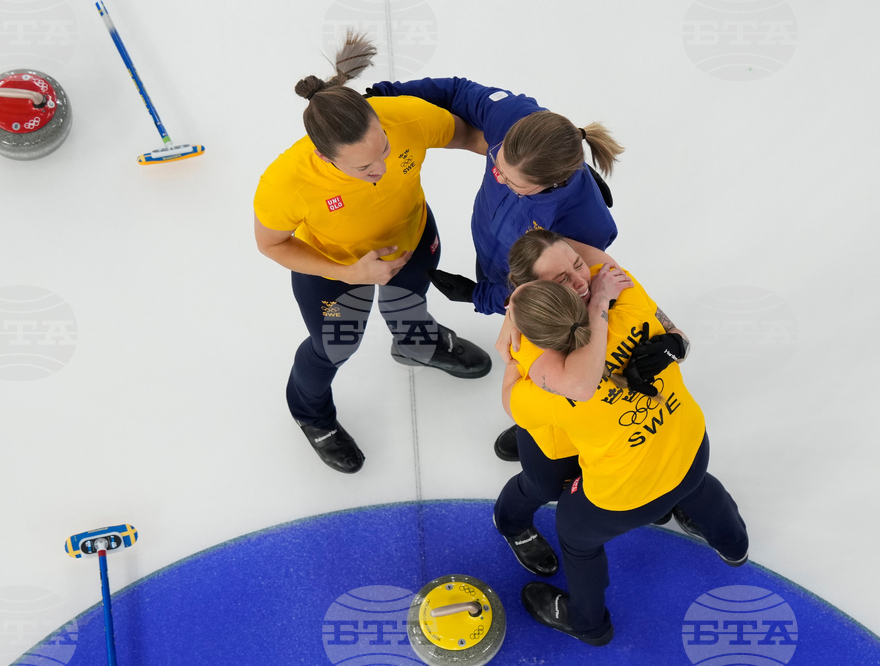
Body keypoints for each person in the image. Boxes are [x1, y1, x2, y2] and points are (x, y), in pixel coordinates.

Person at [495, 229, 749, 646]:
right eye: (562, 279)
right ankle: (734, 544)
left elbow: (513, 401)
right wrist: (597, 297)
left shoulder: (542, 372)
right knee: (695, 484)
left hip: (626, 491)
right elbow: (598, 262)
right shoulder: (626, 300)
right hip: (688, 446)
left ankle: (588, 623)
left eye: (577, 267)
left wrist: (513, 328)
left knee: (574, 533)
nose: (581, 279)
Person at [253, 33, 492, 474]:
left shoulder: (405, 117)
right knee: (334, 347)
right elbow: (271, 243)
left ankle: (416, 345)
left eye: (383, 148)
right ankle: (312, 416)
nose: (380, 168)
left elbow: (470, 136)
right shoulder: (286, 183)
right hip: (332, 269)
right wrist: (349, 273)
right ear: (324, 157)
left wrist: (529, 170)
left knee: (411, 302)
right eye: (363, 168)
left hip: (412, 238)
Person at [365, 77, 625, 461]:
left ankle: (544, 422)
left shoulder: (582, 225)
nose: (498, 177)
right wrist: (385, 95)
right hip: (497, 256)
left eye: (511, 182)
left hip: (542, 298)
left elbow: (554, 294)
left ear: (551, 184)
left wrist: (482, 295)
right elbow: (456, 92)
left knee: (554, 362)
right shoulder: (515, 121)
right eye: (496, 165)